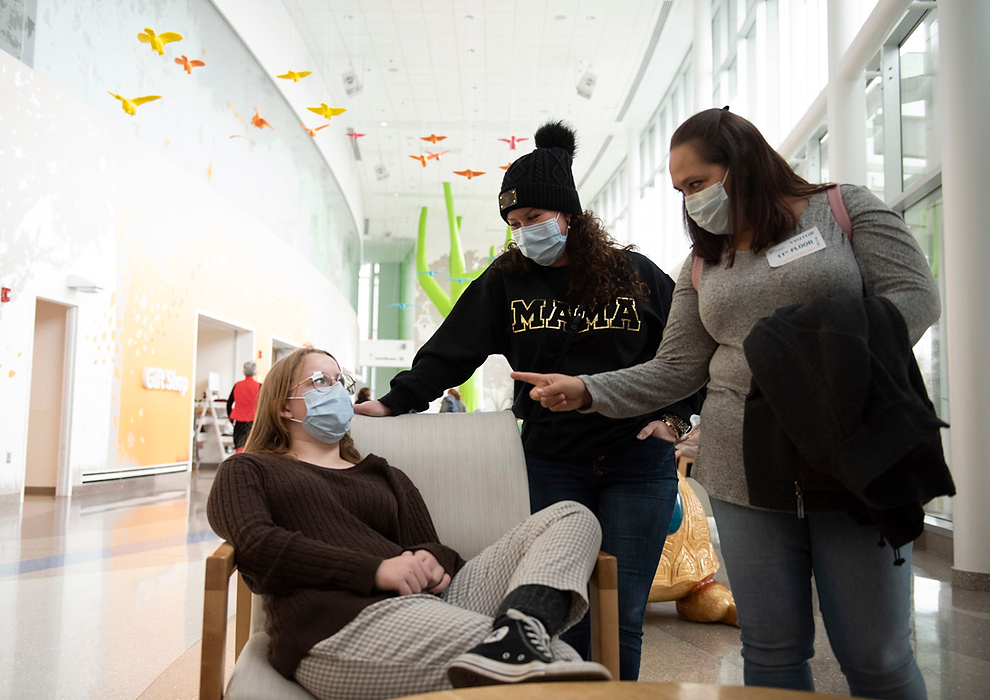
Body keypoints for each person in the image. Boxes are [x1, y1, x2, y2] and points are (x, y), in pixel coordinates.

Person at [512, 108, 946, 698]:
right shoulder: (703, 262)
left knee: (877, 656)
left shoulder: (844, 208)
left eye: (697, 183)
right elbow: (676, 368)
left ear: (742, 164)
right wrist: (587, 389)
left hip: (854, 458)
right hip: (744, 471)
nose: (690, 200)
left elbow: (914, 296)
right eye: (679, 190)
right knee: (769, 653)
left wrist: (820, 358)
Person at [356, 120, 703, 680]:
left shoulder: (635, 276)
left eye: (535, 219)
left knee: (622, 615)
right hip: (551, 460)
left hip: (636, 462)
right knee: (561, 605)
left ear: (569, 215)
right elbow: (450, 350)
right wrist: (395, 402)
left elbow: (688, 356)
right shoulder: (505, 281)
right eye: (514, 223)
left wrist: (674, 419)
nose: (524, 232)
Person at [206, 347, 611, 699]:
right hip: (336, 624)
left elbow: (431, 546)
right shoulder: (248, 468)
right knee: (561, 664)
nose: (337, 391)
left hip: (429, 603)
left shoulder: (382, 473)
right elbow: (258, 547)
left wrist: (432, 561)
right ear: (282, 405)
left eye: (340, 382)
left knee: (572, 516)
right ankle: (515, 648)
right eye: (319, 381)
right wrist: (377, 570)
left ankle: (520, 630)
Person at [226, 361, 261, 453]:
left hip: (239, 420)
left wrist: (230, 416)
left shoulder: (238, 385)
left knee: (239, 446)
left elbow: (229, 403)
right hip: (254, 421)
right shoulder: (259, 386)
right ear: (256, 372)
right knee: (253, 446)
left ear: (244, 372)